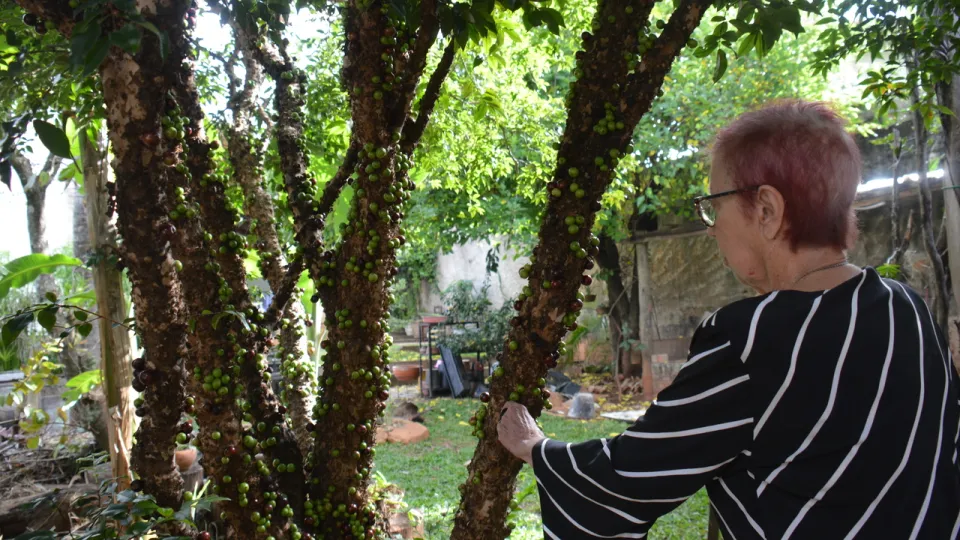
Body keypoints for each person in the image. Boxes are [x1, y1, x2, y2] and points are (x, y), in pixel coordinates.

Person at [498, 100, 960, 539]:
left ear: (767, 210)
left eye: (714, 205)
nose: (712, 225)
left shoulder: (750, 340)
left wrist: (538, 449)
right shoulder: (908, 307)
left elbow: (629, 475)